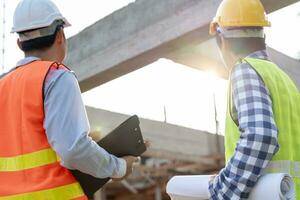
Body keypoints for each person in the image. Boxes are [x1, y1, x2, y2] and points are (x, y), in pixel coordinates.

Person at [0, 0, 138, 199]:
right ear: (60, 36)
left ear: (19, 43)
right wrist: (119, 167)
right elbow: (72, 149)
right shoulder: (57, 77)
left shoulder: (2, 86)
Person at [208, 0, 300, 199]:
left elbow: (260, 137)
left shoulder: (245, 69)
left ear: (221, 39)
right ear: (263, 36)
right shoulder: (285, 81)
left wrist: (223, 190)